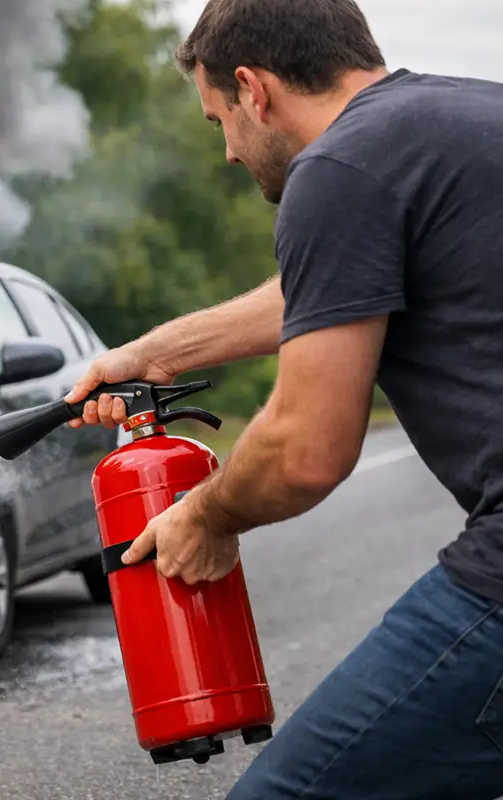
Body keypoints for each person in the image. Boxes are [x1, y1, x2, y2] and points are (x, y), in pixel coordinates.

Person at [64, 0, 503, 796]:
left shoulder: (338, 167)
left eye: (218, 121)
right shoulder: (462, 121)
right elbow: (334, 287)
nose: (229, 152)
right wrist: (155, 352)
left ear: (253, 88)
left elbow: (306, 451)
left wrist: (206, 515)